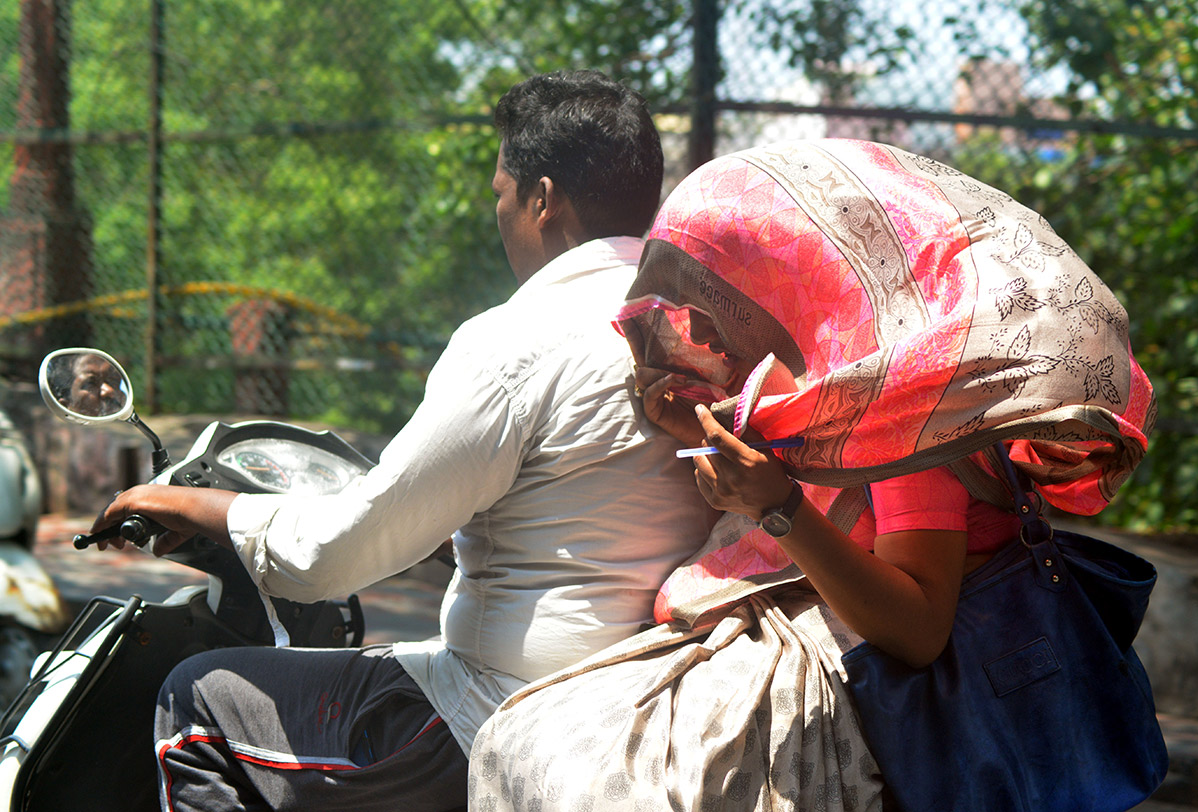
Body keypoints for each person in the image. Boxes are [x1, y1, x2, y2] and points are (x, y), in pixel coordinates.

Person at [91, 70, 715, 812]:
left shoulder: (515, 341)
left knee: (197, 700)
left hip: (496, 713)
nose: (501, 212)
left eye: (500, 193)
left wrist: (200, 506)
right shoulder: (695, 331)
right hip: (645, 710)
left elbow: (336, 553)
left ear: (542, 199)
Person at [468, 139, 1156, 811]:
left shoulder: (908, 424)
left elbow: (918, 629)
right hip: (835, 642)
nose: (700, 338)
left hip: (905, 695)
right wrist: (705, 435)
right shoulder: (855, 385)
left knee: (545, 753)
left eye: (715, 302)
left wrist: (780, 510)